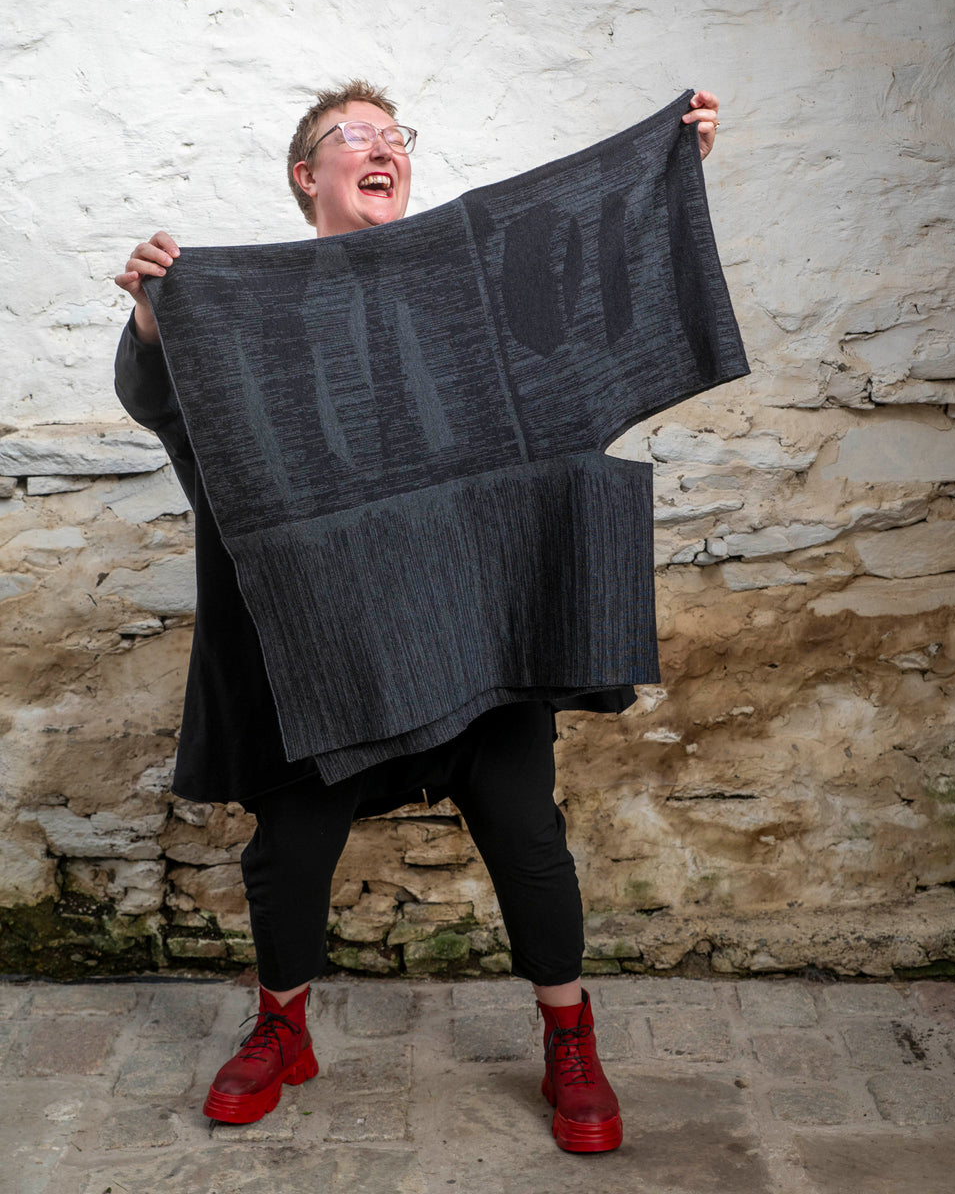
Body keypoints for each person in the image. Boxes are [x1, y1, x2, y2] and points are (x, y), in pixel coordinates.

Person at [114, 79, 720, 1153]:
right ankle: (282, 1028)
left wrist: (662, 181)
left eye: (396, 137)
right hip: (331, 648)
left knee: (528, 833)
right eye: (358, 137)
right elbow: (167, 402)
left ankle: (570, 1037)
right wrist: (160, 320)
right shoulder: (247, 307)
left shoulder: (467, 282)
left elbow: (578, 297)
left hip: (482, 626)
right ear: (310, 176)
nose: (384, 148)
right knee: (287, 854)